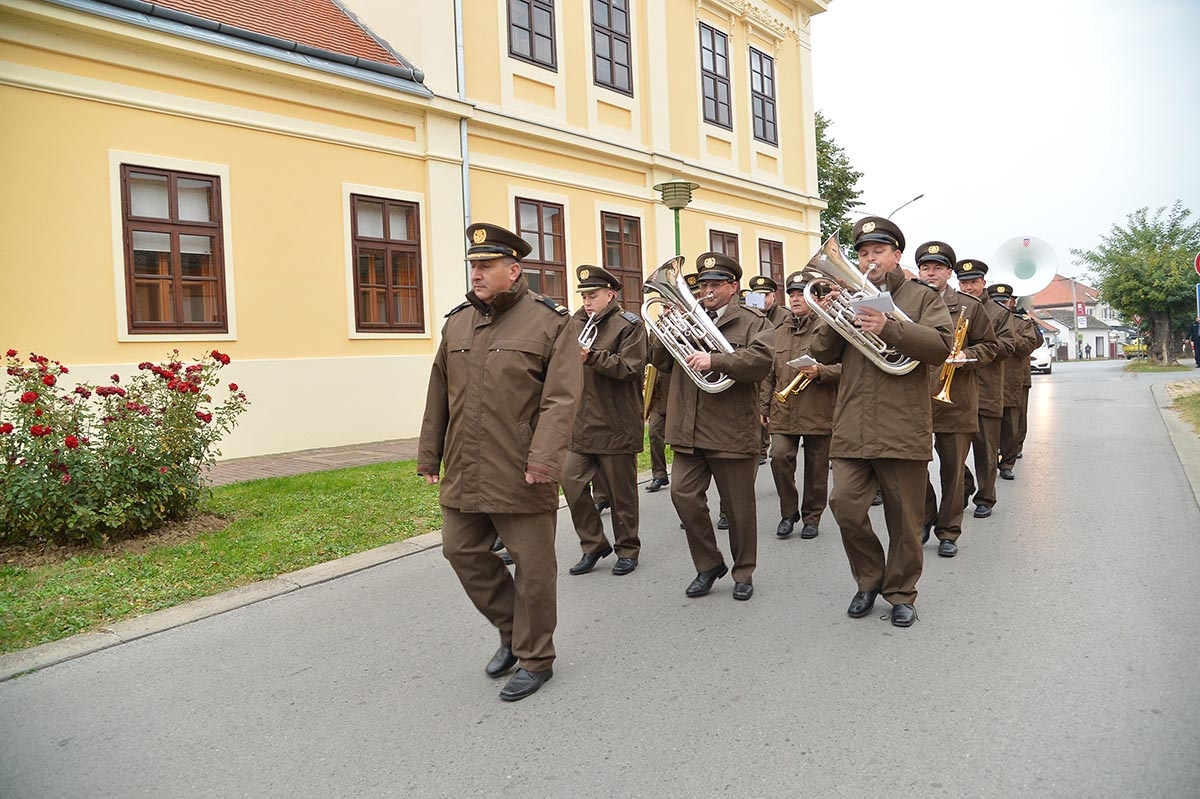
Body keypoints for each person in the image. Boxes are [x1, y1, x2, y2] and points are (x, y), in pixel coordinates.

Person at [417, 222, 582, 702]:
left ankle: (536, 658)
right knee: (460, 550)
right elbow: (438, 395)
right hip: (465, 464)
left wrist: (545, 460)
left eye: (486, 266)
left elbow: (561, 399)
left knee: (533, 567)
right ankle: (512, 630)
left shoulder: (551, 322)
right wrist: (430, 454)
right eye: (473, 266)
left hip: (521, 465)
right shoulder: (458, 322)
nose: (477, 274)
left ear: (514, 270)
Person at [809, 217, 953, 627]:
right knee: (845, 506)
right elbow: (822, 351)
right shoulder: (849, 294)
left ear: (896, 256)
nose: (870, 260)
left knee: (905, 519)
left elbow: (941, 346)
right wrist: (831, 311)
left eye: (878, 252)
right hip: (853, 421)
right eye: (863, 253)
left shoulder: (922, 297)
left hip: (902, 422)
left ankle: (901, 592)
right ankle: (869, 579)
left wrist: (889, 326)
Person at [648, 252, 773, 601]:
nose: (707, 291)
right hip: (688, 426)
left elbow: (760, 362)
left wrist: (715, 359)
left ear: (733, 287)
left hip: (732, 429)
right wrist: (664, 328)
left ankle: (744, 571)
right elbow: (659, 362)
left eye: (716, 284)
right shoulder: (687, 317)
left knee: (739, 509)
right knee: (682, 495)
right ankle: (708, 564)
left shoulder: (752, 322)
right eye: (703, 285)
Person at [562, 265, 647, 577]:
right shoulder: (574, 322)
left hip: (616, 422)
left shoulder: (629, 325)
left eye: (592, 295)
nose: (587, 301)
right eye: (584, 295)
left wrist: (592, 357)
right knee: (570, 482)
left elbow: (631, 368)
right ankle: (593, 544)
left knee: (620, 494)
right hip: (581, 423)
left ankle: (628, 549)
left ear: (610, 295)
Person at [915, 244, 999, 558]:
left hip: (957, 398)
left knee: (952, 470)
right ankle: (924, 516)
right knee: (913, 467)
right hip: (915, 398)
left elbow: (990, 346)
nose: (931, 273)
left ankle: (948, 531)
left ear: (949, 272)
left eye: (938, 267)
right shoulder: (908, 303)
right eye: (926, 267)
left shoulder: (969, 306)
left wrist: (968, 354)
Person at [761, 271, 840, 540]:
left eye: (801, 294)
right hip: (783, 409)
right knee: (779, 457)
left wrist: (822, 372)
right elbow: (768, 373)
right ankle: (788, 512)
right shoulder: (778, 331)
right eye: (792, 294)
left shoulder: (830, 326)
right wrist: (763, 408)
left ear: (815, 298)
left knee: (817, 468)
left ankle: (812, 517)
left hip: (819, 407)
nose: (795, 299)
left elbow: (846, 367)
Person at [957, 260, 1017, 520]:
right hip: (957, 391)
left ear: (983, 283)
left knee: (986, 450)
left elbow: (1008, 345)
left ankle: (985, 497)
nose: (968, 287)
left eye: (973, 282)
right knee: (951, 451)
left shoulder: (999, 312)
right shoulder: (953, 306)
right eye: (964, 282)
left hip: (987, 389)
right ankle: (965, 485)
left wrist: (978, 346)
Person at [990, 285, 1040, 481]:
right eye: (996, 301)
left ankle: (1007, 463)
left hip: (1012, 380)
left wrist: (1007, 333)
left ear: (1012, 302)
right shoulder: (984, 318)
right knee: (988, 428)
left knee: (1012, 425)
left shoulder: (1021, 323)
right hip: (988, 380)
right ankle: (990, 461)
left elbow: (1029, 345)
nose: (1000, 305)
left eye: (1004, 301)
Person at [748, 274, 792, 465]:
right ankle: (759, 448)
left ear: (773, 296)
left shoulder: (785, 316)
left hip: (778, 369)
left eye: (766, 295)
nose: (763, 300)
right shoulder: (749, 316)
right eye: (758, 296)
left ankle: (767, 446)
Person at [644, 363, 671, 492]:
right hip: (657, 394)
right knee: (654, 432)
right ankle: (659, 474)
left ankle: (682, 475)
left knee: (679, 439)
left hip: (675, 391)